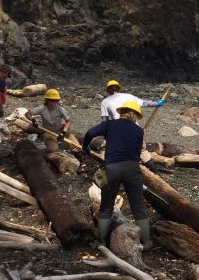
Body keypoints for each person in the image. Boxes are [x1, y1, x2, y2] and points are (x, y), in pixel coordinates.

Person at [82, 100, 152, 249]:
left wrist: (86, 146)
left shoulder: (110, 124)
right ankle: (146, 242)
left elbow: (90, 133)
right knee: (138, 207)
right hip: (133, 170)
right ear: (135, 116)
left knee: (106, 207)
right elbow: (138, 151)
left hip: (112, 168)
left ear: (121, 112)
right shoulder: (139, 131)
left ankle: (101, 241)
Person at [26, 88, 72, 153]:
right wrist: (33, 120)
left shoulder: (60, 109)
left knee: (75, 144)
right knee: (53, 149)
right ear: (47, 100)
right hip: (48, 132)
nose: (53, 103)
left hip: (60, 130)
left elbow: (68, 121)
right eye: (51, 100)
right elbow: (27, 113)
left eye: (55, 101)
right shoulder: (42, 108)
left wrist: (63, 132)